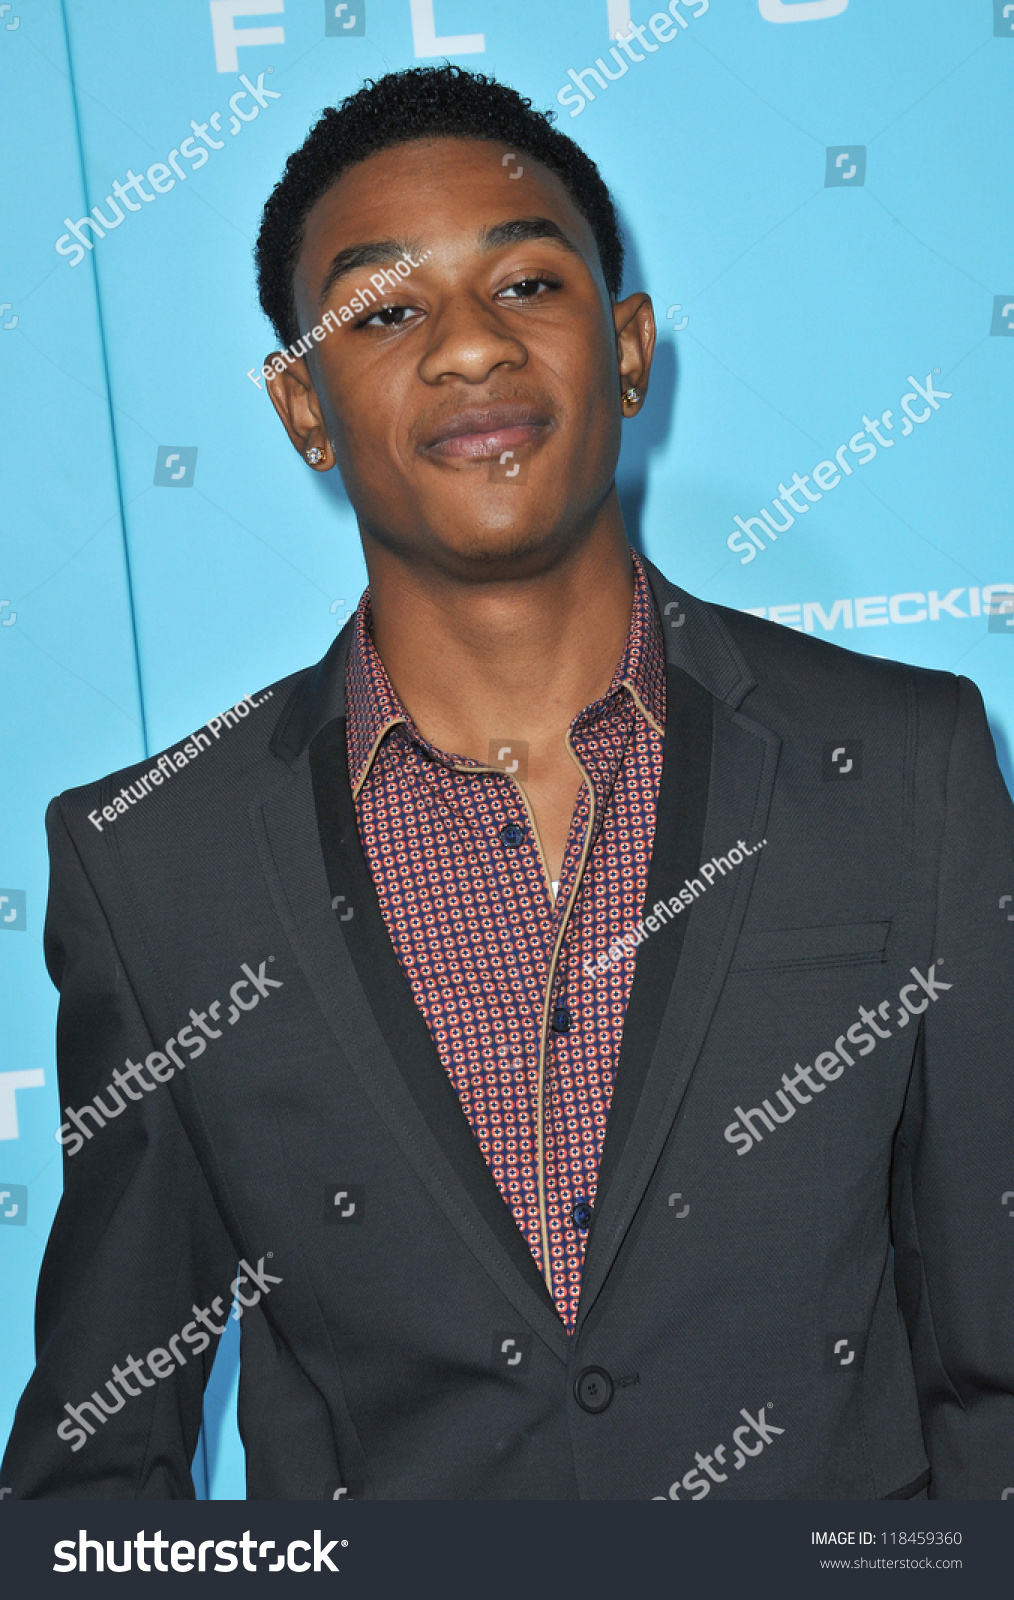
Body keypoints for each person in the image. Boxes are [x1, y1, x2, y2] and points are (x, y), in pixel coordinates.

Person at [3, 65, 1012, 1501]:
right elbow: (96, 1475)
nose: (470, 348)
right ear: (300, 405)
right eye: (387, 310)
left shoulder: (901, 764)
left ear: (627, 348)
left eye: (526, 285)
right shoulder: (158, 863)